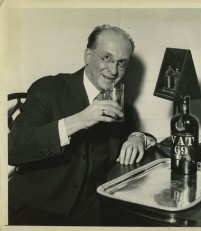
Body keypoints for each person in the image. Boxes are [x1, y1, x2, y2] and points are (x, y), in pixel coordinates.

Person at [8, 24, 156, 226]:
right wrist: (79, 120)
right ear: (88, 56)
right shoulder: (48, 89)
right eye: (107, 58)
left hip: (92, 209)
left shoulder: (120, 99)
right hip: (37, 208)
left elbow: (133, 131)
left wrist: (138, 137)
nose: (114, 70)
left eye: (122, 63)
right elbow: (14, 148)